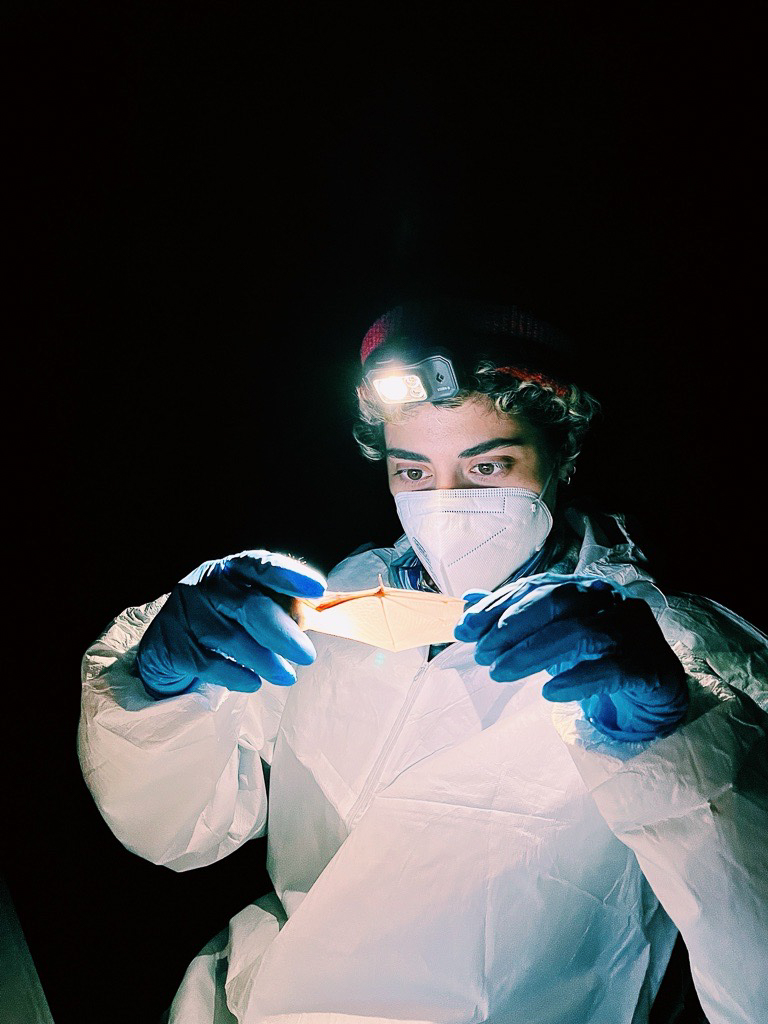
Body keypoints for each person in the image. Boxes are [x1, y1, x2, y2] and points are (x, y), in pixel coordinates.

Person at [78, 300, 767, 1024]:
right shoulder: (341, 606)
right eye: (413, 470)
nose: (447, 504)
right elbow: (173, 829)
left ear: (564, 451)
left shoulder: (671, 654)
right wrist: (159, 687)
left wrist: (685, 752)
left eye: (489, 465)